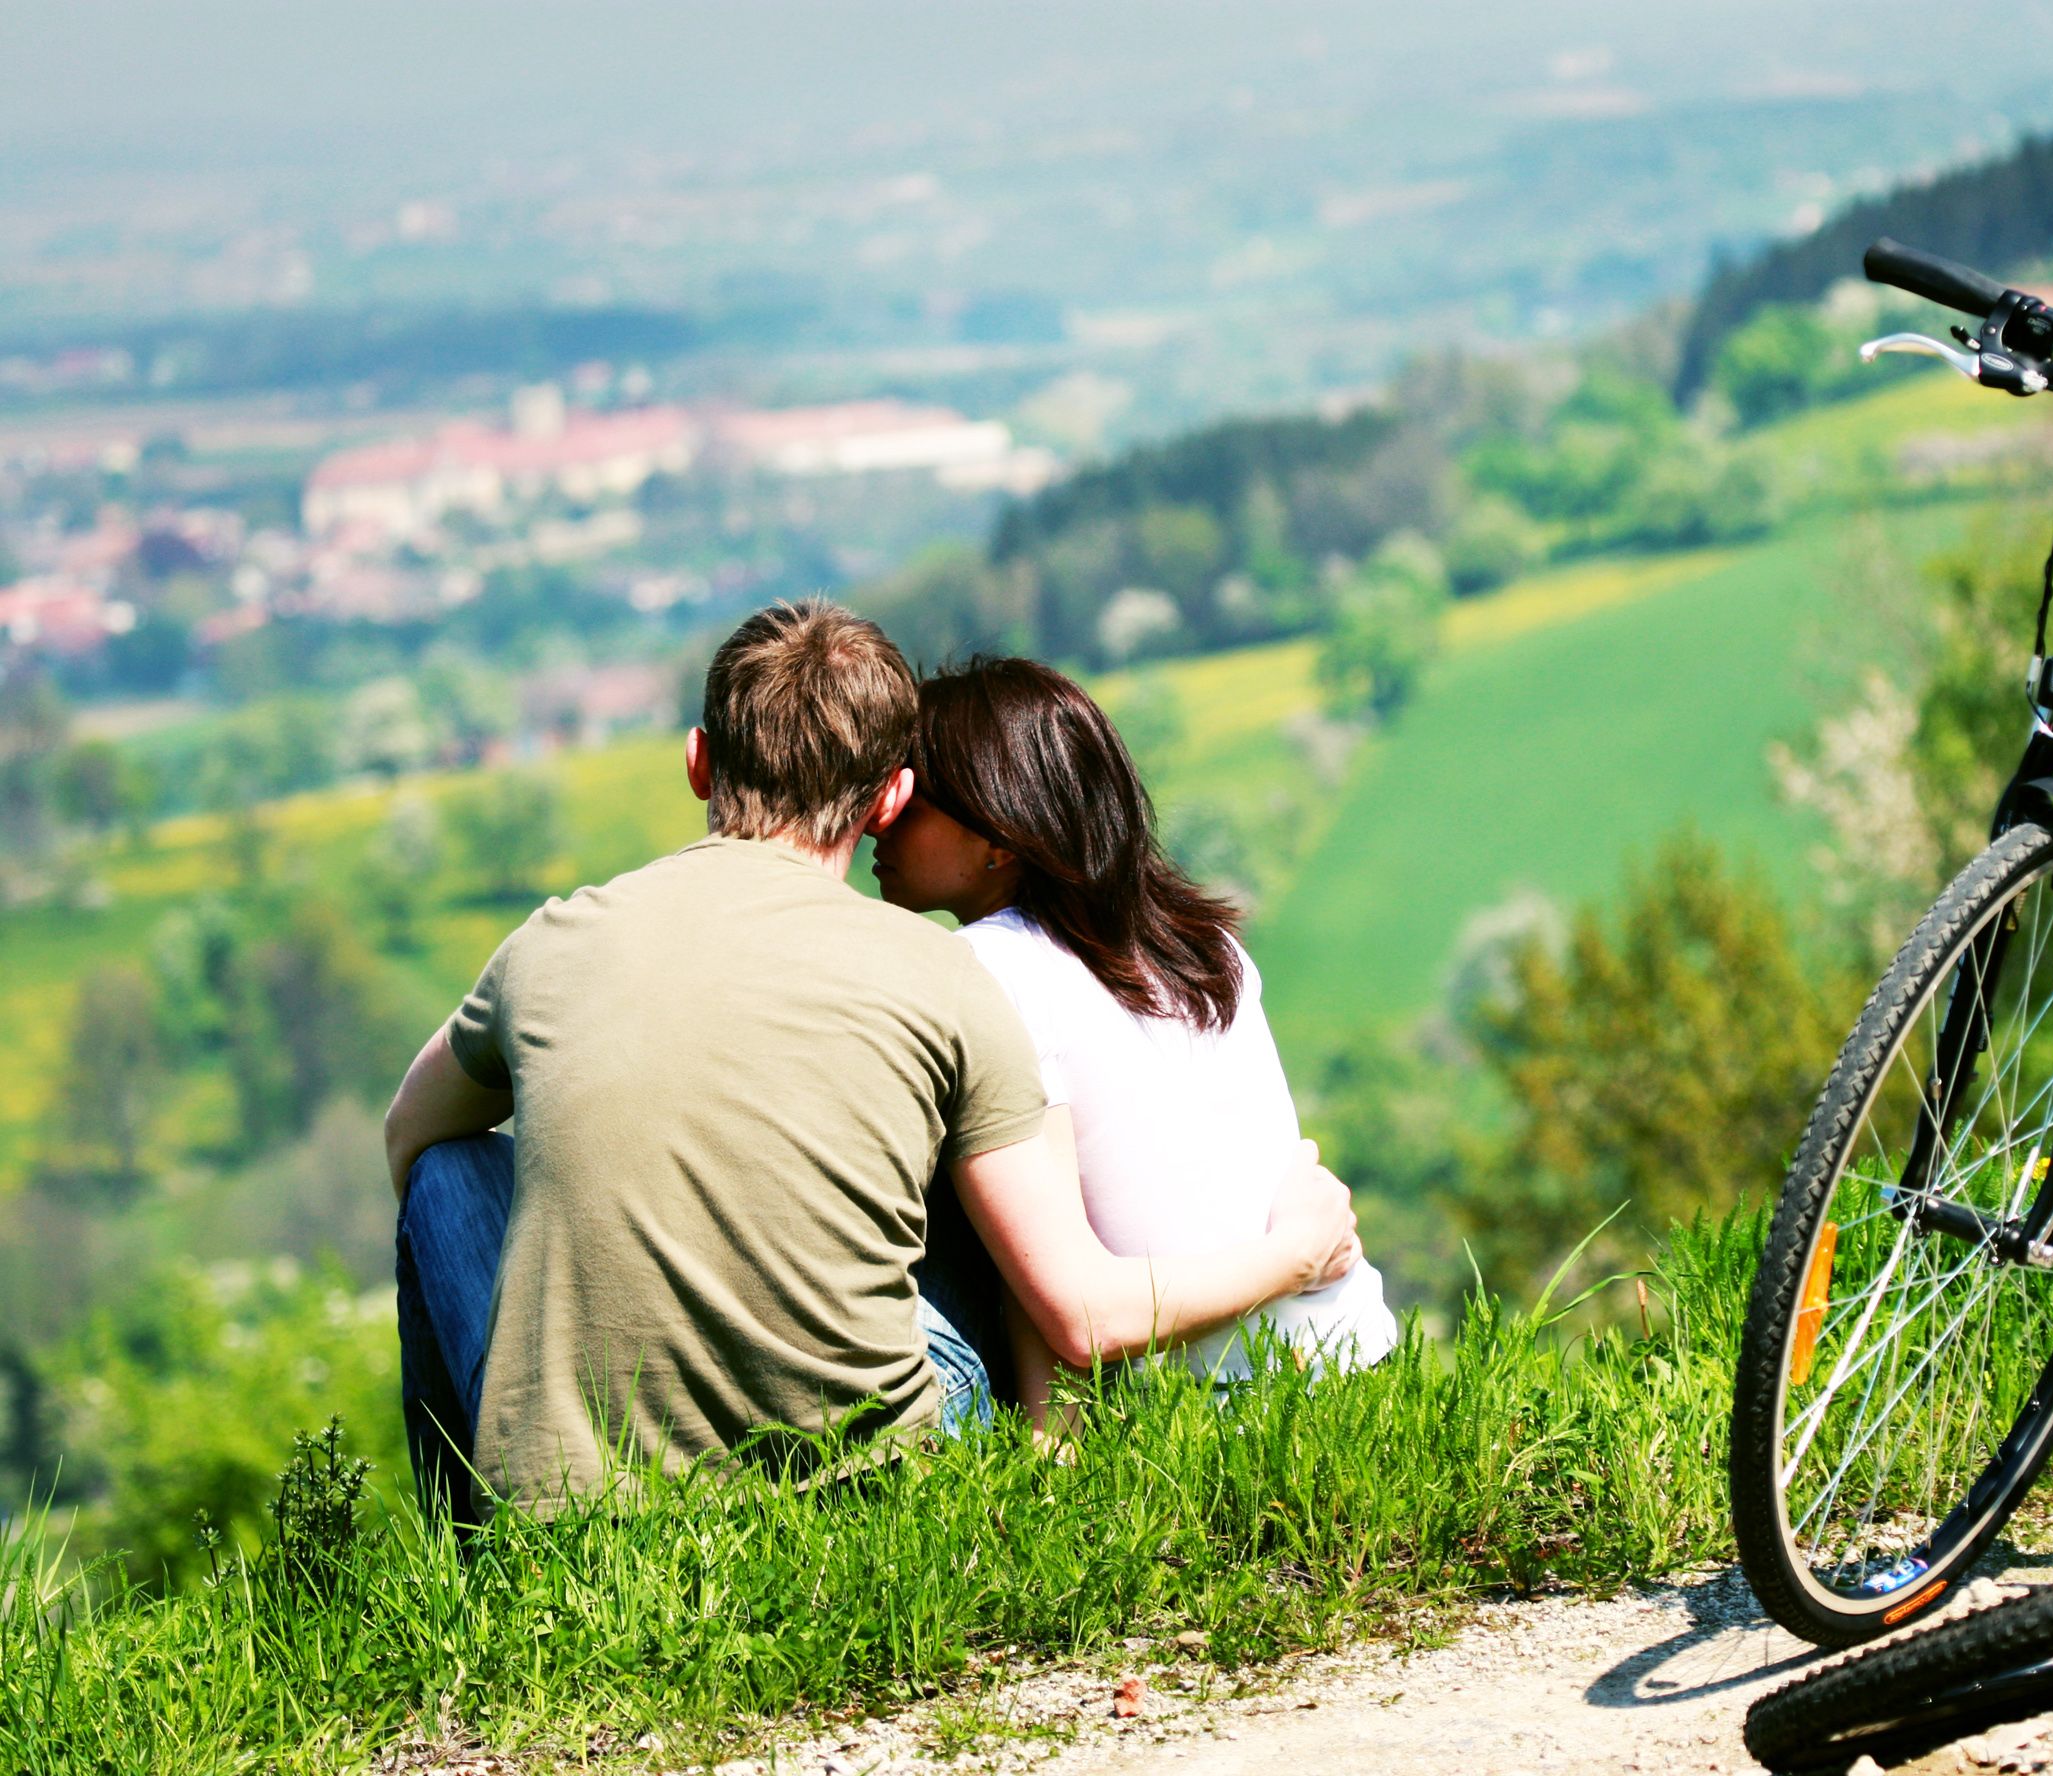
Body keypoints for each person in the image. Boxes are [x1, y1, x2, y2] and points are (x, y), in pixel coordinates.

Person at [384, 601, 1358, 1523]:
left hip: (583, 1505)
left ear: (697, 762)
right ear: (889, 794)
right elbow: (1066, 1300)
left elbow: (409, 1136)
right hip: (865, 1474)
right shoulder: (947, 972)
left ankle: (483, 1552)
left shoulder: (552, 943)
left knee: (446, 1174)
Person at [871, 657, 1397, 1426]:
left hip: (1209, 1413)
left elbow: (1076, 1312)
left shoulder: (990, 967)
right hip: (1347, 1355)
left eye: (909, 798)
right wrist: (1296, 1256)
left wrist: (1054, 1452)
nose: (877, 817)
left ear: (996, 835)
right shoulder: (1203, 945)